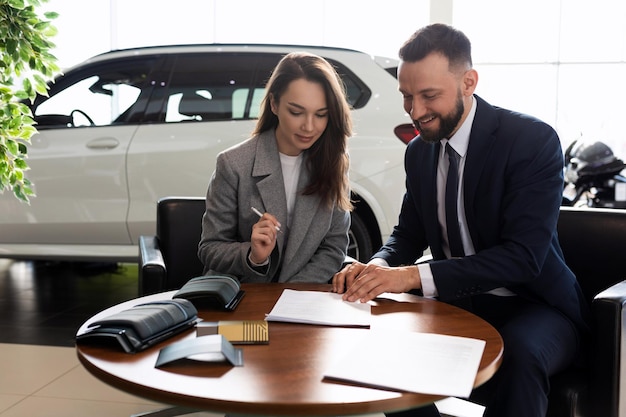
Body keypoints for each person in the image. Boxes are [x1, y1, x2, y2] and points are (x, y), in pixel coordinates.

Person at [332, 23, 590, 417]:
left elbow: (522, 258)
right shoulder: (419, 152)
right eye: (406, 97)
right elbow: (407, 234)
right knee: (384, 348)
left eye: (429, 96)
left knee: (518, 355)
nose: (415, 112)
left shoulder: (530, 141)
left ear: (468, 82)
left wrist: (410, 277)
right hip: (460, 305)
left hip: (536, 305)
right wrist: (379, 265)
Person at [198, 51, 353, 283]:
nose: (309, 127)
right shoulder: (233, 164)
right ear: (274, 104)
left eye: (321, 115)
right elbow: (210, 248)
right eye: (296, 112)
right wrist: (253, 256)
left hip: (302, 300)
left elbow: (334, 247)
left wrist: (292, 294)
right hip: (243, 297)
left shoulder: (334, 161)